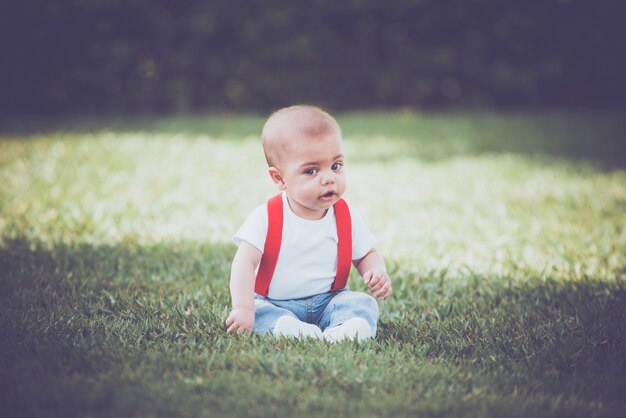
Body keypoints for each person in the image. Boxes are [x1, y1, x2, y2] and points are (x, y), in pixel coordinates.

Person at [225, 105, 392, 341]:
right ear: (279, 178)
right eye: (311, 171)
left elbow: (366, 254)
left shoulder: (346, 216)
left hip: (329, 300)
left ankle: (346, 328)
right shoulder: (266, 217)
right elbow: (244, 262)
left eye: (336, 166)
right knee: (259, 311)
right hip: (276, 302)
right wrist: (243, 308)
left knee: (362, 303)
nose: (328, 178)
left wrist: (375, 270)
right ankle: (290, 329)